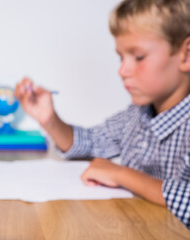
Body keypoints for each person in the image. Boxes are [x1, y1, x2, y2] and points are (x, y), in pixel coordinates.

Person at [15, 0, 190, 229]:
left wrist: (122, 175)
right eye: (121, 57)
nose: (122, 70)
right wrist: (50, 120)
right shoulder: (136, 116)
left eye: (138, 57)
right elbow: (91, 142)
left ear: (186, 55)